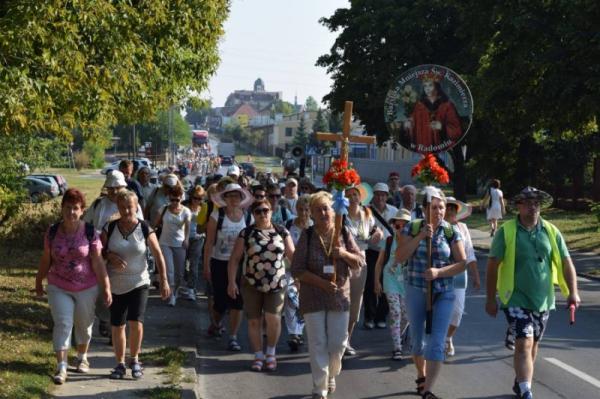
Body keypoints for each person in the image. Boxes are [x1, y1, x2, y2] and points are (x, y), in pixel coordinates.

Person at [485, 186, 580, 399]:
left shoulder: (551, 231)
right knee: (524, 341)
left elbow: (566, 262)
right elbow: (492, 266)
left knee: (533, 343)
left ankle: (521, 382)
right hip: (515, 296)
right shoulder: (506, 231)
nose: (533, 207)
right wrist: (490, 299)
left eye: (536, 203)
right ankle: (527, 390)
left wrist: (573, 292)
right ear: (518, 206)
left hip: (543, 299)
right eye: (528, 203)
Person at [291, 191, 364, 399]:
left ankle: (331, 373)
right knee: (317, 343)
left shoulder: (343, 232)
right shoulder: (307, 235)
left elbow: (359, 260)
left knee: (338, 343)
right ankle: (319, 388)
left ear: (333, 211)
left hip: (339, 296)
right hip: (313, 295)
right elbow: (297, 269)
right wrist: (322, 283)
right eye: (318, 209)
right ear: (312, 214)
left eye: (327, 208)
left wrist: (343, 254)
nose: (323, 212)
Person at [35, 188, 112, 384]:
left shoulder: (89, 232)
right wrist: (38, 281)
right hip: (58, 285)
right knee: (63, 323)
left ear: (82, 210)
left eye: (75, 208)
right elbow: (46, 259)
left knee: (84, 324)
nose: (71, 212)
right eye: (68, 208)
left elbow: (98, 262)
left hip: (86, 286)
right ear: (62, 208)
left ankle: (81, 357)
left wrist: (106, 287)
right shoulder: (52, 232)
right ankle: (61, 367)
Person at [396, 187, 466, 399]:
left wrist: (439, 272)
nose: (439, 211)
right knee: (418, 342)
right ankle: (421, 373)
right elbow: (399, 257)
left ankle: (428, 391)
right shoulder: (412, 228)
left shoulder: (451, 232)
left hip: (443, 292)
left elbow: (462, 263)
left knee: (437, 342)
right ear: (425, 209)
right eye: (434, 207)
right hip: (416, 289)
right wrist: (420, 237)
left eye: (442, 207)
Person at [102, 190, 170, 379]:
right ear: (118, 207)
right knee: (117, 325)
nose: (126, 211)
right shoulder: (111, 227)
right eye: (122, 207)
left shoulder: (144, 227)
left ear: (136, 207)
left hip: (139, 281)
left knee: (136, 321)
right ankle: (120, 363)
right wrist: (109, 255)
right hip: (116, 283)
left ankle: (135, 359)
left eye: (129, 207)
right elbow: (100, 252)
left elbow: (158, 254)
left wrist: (164, 279)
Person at [227, 199, 295, 372]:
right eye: (258, 211)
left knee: (273, 319)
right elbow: (235, 259)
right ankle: (258, 355)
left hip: (277, 284)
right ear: (253, 214)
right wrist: (231, 282)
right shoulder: (246, 233)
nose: (263, 214)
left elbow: (293, 256)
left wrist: (299, 278)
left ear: (272, 212)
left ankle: (271, 352)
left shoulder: (282, 231)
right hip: (251, 284)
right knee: (254, 322)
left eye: (266, 210)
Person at [203, 183, 253, 351]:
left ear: (241, 198)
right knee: (221, 302)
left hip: (240, 264)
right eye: (230, 196)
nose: (233, 199)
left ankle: (233, 336)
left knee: (238, 302)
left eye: (237, 196)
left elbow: (252, 241)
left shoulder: (248, 217)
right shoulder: (217, 216)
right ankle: (215, 323)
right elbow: (209, 243)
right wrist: (206, 265)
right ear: (224, 198)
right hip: (219, 262)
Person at [343, 184, 382, 355]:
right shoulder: (340, 215)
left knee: (355, 304)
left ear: (361, 197)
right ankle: (336, 339)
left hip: (360, 263)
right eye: (349, 194)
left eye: (355, 194)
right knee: (340, 302)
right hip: (342, 262)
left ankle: (346, 341)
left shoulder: (367, 214)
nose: (352, 197)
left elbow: (375, 231)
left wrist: (377, 234)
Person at [443, 197, 481, 357]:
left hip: (459, 274)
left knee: (458, 310)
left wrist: (476, 276)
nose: (450, 210)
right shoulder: (438, 227)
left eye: (453, 208)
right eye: (448, 207)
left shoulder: (463, 228)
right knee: (440, 308)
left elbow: (469, 253)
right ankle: (436, 338)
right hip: (441, 272)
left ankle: (448, 337)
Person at [374, 208, 411, 360]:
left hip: (407, 281)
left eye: (405, 225)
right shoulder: (388, 241)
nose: (401, 228)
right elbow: (380, 262)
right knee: (395, 312)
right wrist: (376, 281)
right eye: (397, 225)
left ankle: (400, 336)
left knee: (407, 315)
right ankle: (397, 347)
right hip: (390, 280)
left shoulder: (413, 241)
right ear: (394, 225)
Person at [363, 182, 398, 329]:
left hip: (388, 252)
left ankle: (381, 316)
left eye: (383, 195)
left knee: (387, 284)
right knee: (370, 283)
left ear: (387, 196)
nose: (380, 198)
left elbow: (398, 230)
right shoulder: (366, 211)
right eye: (377, 194)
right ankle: (369, 317)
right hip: (372, 251)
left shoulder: (394, 211)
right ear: (373, 196)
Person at [153, 183, 191, 306]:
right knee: (169, 270)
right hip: (164, 243)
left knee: (180, 272)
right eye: (172, 199)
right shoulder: (163, 209)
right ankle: (172, 295)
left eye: (177, 199)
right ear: (169, 198)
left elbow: (188, 228)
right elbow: (154, 224)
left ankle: (177, 290)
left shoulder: (186, 211)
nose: (174, 202)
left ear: (181, 197)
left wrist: (186, 239)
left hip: (180, 244)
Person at [403, 75, 463, 151]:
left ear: (437, 87)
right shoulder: (419, 107)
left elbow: (456, 129)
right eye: (425, 86)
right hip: (424, 148)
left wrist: (442, 127)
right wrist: (408, 125)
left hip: (442, 148)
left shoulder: (447, 106)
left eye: (430, 85)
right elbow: (413, 126)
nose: (427, 89)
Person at [284, 194, 312, 350]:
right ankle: (294, 333)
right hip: (291, 269)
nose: (304, 213)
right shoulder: (289, 225)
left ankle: (299, 332)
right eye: (300, 209)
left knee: (305, 300)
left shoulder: (314, 226)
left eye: (307, 210)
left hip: (310, 271)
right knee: (291, 296)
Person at [185, 185, 206, 301]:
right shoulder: (184, 206)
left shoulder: (204, 207)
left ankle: (191, 289)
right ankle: (187, 279)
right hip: (184, 238)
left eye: (199, 198)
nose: (197, 201)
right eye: (195, 198)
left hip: (198, 239)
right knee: (182, 265)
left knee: (194, 265)